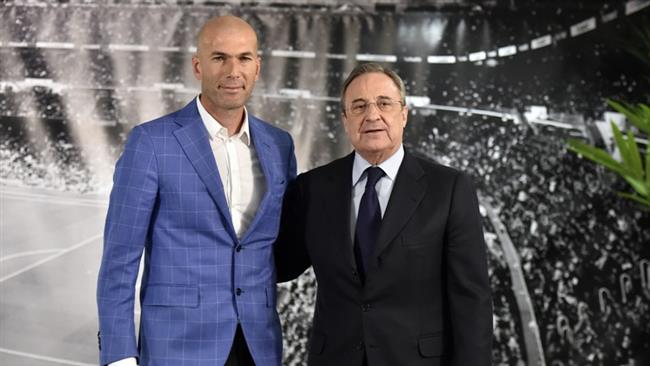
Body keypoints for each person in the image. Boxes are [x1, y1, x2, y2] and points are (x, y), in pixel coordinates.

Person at [97, 15, 296, 366]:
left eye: (244, 58)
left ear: (258, 67)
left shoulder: (280, 145)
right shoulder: (152, 142)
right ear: (198, 66)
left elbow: (277, 246)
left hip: (258, 345)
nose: (233, 70)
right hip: (177, 346)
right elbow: (119, 259)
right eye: (219, 57)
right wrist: (119, 355)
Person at [275, 63, 492, 366]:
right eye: (359, 106)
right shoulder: (313, 187)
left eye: (384, 103)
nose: (372, 115)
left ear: (404, 114)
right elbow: (281, 264)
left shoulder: (449, 188)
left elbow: (472, 302)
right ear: (345, 120)